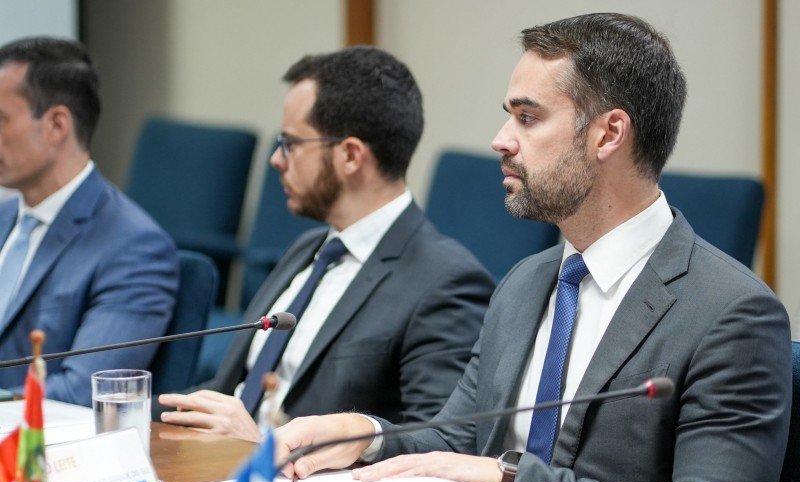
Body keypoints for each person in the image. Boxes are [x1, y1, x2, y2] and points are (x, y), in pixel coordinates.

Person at [275, 13, 792, 482]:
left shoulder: (731, 314)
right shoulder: (526, 283)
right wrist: (366, 435)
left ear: (608, 133)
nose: (501, 141)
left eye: (528, 118)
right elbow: (456, 444)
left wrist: (511, 475)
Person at [157, 46, 494, 442]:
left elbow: (439, 444)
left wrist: (258, 446)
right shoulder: (310, 248)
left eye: (291, 144)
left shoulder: (445, 280)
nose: (276, 161)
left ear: (350, 155)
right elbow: (232, 388)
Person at [0, 37, 179, 406]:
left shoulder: (134, 246)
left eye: (1, 119)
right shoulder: (5, 218)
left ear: (56, 125)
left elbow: (83, 392)